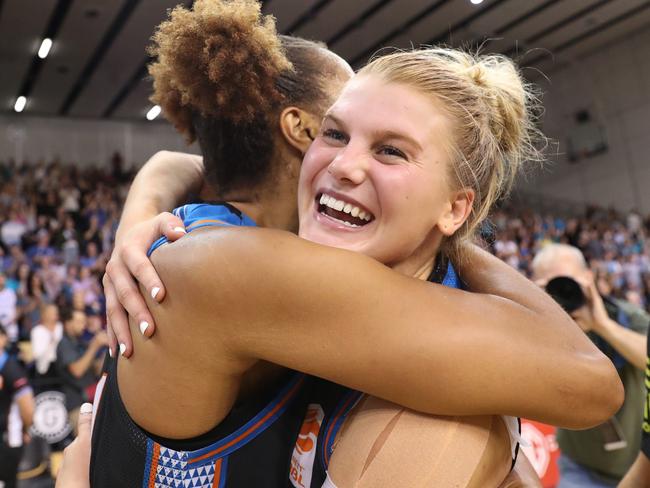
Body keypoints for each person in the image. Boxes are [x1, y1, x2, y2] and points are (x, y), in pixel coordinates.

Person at [88, 1, 620, 487]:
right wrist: (439, 226)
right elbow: (592, 381)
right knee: (456, 428)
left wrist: (149, 191)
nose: (343, 163)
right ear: (300, 132)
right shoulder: (229, 262)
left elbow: (181, 163)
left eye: (390, 150)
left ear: (456, 205)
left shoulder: (232, 231)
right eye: (335, 131)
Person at [531, 244, 648, 487]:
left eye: (568, 283)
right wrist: (535, 308)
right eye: (551, 287)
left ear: (588, 278)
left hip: (638, 466)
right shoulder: (536, 328)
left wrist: (602, 325)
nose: (562, 293)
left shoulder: (624, 315)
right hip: (580, 466)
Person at [56, 307, 107, 433]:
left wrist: (107, 353)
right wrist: (95, 346)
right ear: (67, 323)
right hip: (77, 404)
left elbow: (96, 370)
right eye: (79, 322)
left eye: (84, 322)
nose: (83, 325)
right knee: (86, 443)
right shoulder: (64, 344)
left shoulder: (81, 343)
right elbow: (77, 371)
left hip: (92, 400)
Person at [0, 325, 35, 488]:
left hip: (8, 442)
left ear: (3, 338)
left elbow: (28, 408)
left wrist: (24, 429)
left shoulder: (11, 369)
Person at [30, 303, 63, 377]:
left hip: (62, 366)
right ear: (44, 314)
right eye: (52, 313)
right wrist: (51, 342)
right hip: (45, 368)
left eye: (56, 312)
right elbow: (37, 353)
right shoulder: (37, 331)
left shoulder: (61, 327)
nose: (55, 315)